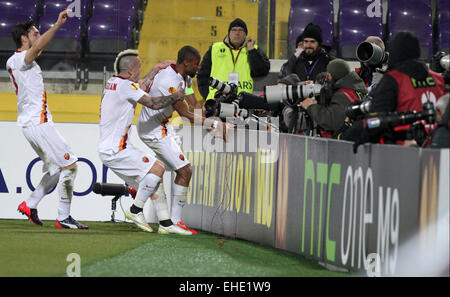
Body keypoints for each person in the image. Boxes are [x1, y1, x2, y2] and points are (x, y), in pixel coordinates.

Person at [7, 10, 87, 229]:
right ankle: (63, 217)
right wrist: (58, 24)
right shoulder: (18, 60)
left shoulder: (25, 63)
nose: (38, 34)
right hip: (37, 124)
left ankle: (30, 204)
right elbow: (39, 47)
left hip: (34, 124)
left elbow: (37, 49)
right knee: (70, 165)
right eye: (34, 33)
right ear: (24, 38)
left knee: (57, 170)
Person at [98, 48, 191, 235]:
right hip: (117, 150)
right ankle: (135, 211)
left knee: (153, 182)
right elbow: (153, 103)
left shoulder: (114, 82)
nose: (142, 70)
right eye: (140, 66)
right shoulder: (127, 87)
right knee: (158, 168)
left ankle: (165, 223)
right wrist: (176, 96)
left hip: (110, 149)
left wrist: (156, 69)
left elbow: (139, 85)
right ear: (130, 71)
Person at [137, 46, 205, 234]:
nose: (198, 67)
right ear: (186, 63)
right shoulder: (170, 81)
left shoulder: (185, 77)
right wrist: (212, 125)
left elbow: (192, 103)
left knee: (161, 168)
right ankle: (174, 223)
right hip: (153, 128)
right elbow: (183, 112)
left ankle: (138, 190)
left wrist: (203, 114)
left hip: (162, 125)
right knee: (185, 170)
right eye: (196, 64)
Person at [343, 32, 447, 146]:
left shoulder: (393, 80)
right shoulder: (439, 79)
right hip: (435, 147)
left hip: (399, 150)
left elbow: (375, 122)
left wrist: (362, 137)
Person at [197, 18, 270, 100]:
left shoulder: (253, 49)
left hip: (243, 100)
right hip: (217, 99)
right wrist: (207, 95)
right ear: (229, 33)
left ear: (245, 34)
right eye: (234, 30)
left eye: (240, 30)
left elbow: (262, 72)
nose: (237, 33)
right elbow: (202, 75)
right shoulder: (215, 49)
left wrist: (251, 50)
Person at [300, 59, 368, 136]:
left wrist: (311, 107)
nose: (327, 78)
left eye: (328, 75)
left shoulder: (343, 95)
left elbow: (331, 121)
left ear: (332, 75)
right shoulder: (355, 88)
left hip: (346, 142)